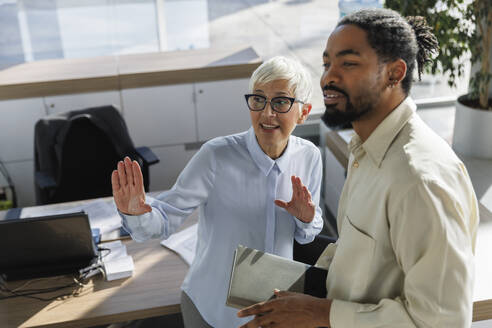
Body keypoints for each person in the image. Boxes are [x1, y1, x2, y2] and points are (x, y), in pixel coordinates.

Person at [238, 8, 479, 328]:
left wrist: (317, 313)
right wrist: (295, 296)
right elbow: (361, 255)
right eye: (327, 64)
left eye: (348, 63)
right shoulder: (365, 150)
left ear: (394, 73)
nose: (327, 78)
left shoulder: (420, 182)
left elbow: (442, 321)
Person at [111, 56, 324, 328]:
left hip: (276, 307)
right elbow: (162, 221)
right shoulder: (216, 156)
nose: (267, 113)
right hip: (212, 309)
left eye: (281, 102)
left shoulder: (309, 157)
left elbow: (306, 237)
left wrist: (306, 218)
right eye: (258, 100)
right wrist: (136, 212)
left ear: (303, 112)